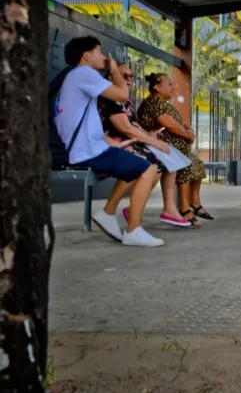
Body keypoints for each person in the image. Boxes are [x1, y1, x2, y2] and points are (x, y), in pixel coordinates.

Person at [54, 37, 164, 247]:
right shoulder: (84, 73)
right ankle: (133, 230)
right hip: (86, 152)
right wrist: (114, 70)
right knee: (148, 169)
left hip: (84, 148)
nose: (104, 58)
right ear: (86, 55)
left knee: (134, 164)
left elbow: (86, 124)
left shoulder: (71, 77)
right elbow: (122, 95)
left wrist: (111, 144)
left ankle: (108, 213)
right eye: (100, 52)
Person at [98, 63, 201, 229]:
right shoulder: (112, 98)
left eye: (131, 76)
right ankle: (120, 215)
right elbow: (125, 129)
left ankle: (168, 209)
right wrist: (153, 140)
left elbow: (134, 127)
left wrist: (150, 136)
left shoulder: (124, 100)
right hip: (118, 142)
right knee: (153, 162)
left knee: (167, 157)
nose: (129, 79)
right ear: (111, 76)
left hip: (133, 140)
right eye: (124, 75)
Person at [137, 73, 213, 223]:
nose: (174, 87)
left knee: (197, 166)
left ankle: (195, 203)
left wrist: (189, 130)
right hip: (162, 145)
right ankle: (184, 208)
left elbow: (180, 122)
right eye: (170, 84)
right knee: (186, 166)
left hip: (175, 146)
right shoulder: (153, 102)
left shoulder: (165, 103)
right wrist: (186, 135)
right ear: (157, 87)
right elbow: (170, 125)